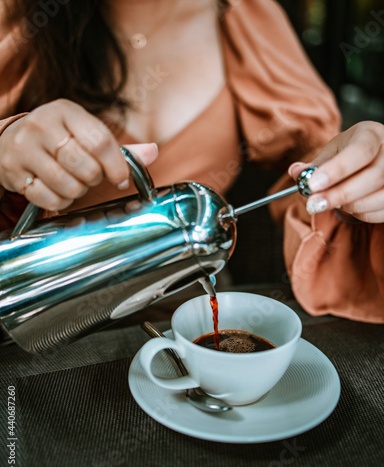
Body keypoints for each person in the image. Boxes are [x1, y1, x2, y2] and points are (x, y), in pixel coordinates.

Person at [0, 0, 382, 322]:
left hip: (192, 316)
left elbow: (312, 165)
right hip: (37, 319)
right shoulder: (19, 19)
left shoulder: (244, 14)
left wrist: (358, 177)